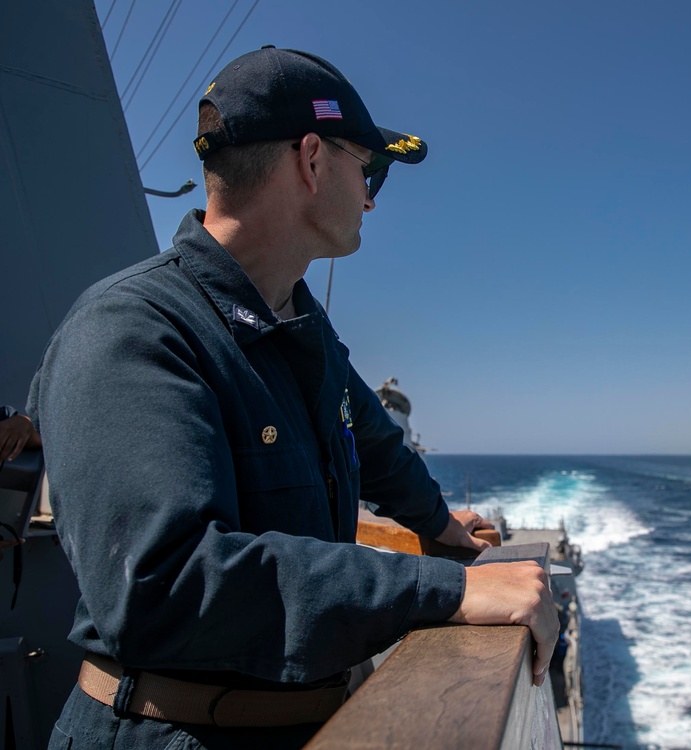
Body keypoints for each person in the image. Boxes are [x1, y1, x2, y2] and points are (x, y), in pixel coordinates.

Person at [29, 47, 558, 749]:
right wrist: (451, 590)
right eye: (368, 169)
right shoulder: (131, 329)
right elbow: (166, 585)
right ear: (312, 159)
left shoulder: (300, 332)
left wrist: (440, 528)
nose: (371, 197)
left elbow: (373, 445)